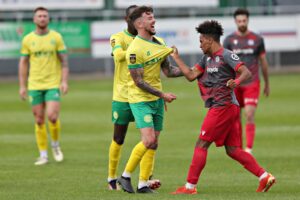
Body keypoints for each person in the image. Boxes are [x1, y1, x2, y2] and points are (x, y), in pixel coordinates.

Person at [170, 20, 275, 194]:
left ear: (210, 40)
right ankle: (264, 176)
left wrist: (237, 82)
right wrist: (176, 57)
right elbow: (190, 75)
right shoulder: (206, 59)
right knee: (233, 150)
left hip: (223, 107)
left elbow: (246, 72)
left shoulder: (226, 54)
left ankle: (190, 187)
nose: (200, 44)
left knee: (201, 143)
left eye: (201, 40)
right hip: (227, 107)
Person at [117, 6, 182, 193]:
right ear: (139, 23)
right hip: (140, 99)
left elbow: (169, 71)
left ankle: (143, 183)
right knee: (148, 140)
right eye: (149, 18)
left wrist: (191, 71)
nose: (154, 21)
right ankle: (125, 176)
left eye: (154, 17)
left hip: (157, 100)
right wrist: (163, 95)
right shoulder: (133, 49)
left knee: (154, 142)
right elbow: (138, 82)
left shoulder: (160, 43)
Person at [107, 5, 160, 191]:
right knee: (119, 137)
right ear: (128, 20)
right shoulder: (117, 37)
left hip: (142, 95)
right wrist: (135, 48)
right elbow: (118, 55)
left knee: (150, 139)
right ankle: (112, 178)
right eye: (132, 17)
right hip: (122, 95)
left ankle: (146, 179)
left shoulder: (151, 39)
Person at [18, 7, 69, 166]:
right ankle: (43, 155)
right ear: (34, 19)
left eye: (45, 16)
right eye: (39, 16)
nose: (42, 18)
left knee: (52, 117)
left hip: (52, 84)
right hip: (34, 85)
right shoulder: (27, 39)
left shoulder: (56, 37)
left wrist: (64, 81)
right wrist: (22, 85)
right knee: (39, 120)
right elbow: (23, 63)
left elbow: (64, 62)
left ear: (48, 19)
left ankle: (55, 145)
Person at [223, 8, 270, 154]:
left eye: (244, 20)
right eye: (239, 21)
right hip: (235, 84)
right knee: (235, 117)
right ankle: (239, 149)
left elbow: (263, 61)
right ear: (235, 21)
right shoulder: (229, 41)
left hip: (252, 82)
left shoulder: (257, 40)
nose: (242, 23)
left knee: (249, 114)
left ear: (248, 20)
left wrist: (267, 83)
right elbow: (225, 63)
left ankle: (248, 149)